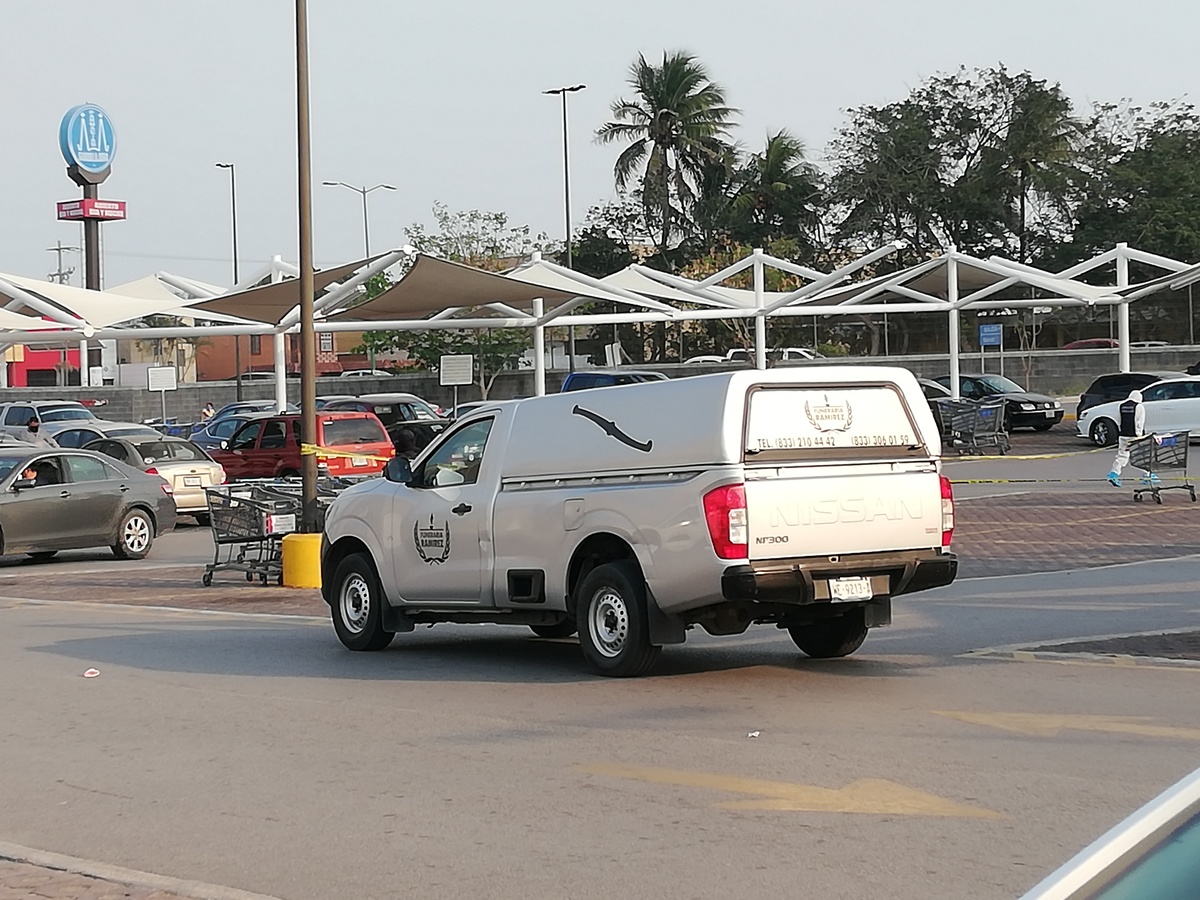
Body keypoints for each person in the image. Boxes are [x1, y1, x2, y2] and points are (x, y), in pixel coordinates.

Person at [1107, 389, 1158, 488]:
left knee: (1122, 455)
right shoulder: (1139, 406)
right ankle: (1147, 475)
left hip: (1123, 435)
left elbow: (1119, 420)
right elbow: (1139, 422)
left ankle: (1114, 474)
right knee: (1142, 455)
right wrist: (1139, 435)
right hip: (1134, 436)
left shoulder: (1122, 406)